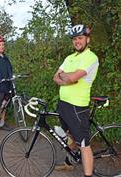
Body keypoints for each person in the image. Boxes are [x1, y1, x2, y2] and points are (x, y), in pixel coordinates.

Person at [53, 24, 99, 177]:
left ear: (87, 39)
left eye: (80, 38)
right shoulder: (69, 58)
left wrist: (67, 77)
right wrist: (68, 78)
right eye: (74, 39)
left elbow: (72, 77)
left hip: (77, 107)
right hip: (64, 104)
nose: (77, 41)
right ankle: (68, 164)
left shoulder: (91, 57)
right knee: (70, 137)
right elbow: (55, 77)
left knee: (84, 145)